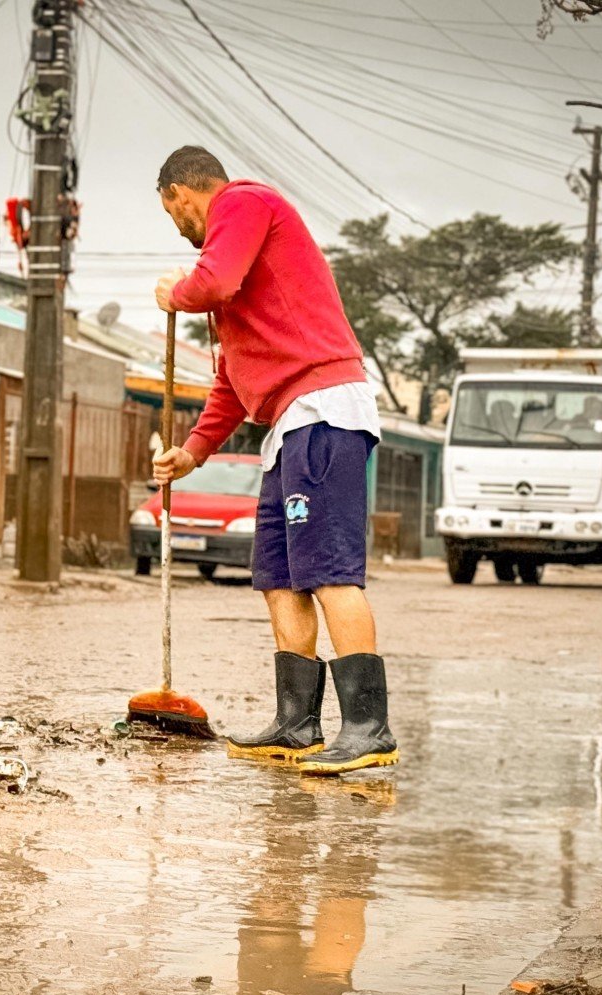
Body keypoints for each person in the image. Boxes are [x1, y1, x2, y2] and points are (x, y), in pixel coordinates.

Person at [150, 145, 396, 774]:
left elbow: (211, 284)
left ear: (184, 191)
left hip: (324, 411)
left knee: (330, 572)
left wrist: (175, 294)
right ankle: (297, 724)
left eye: (174, 212)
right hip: (287, 425)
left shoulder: (244, 203)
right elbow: (232, 379)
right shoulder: (230, 274)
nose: (178, 227)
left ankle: (369, 729)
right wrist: (195, 451)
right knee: (280, 577)